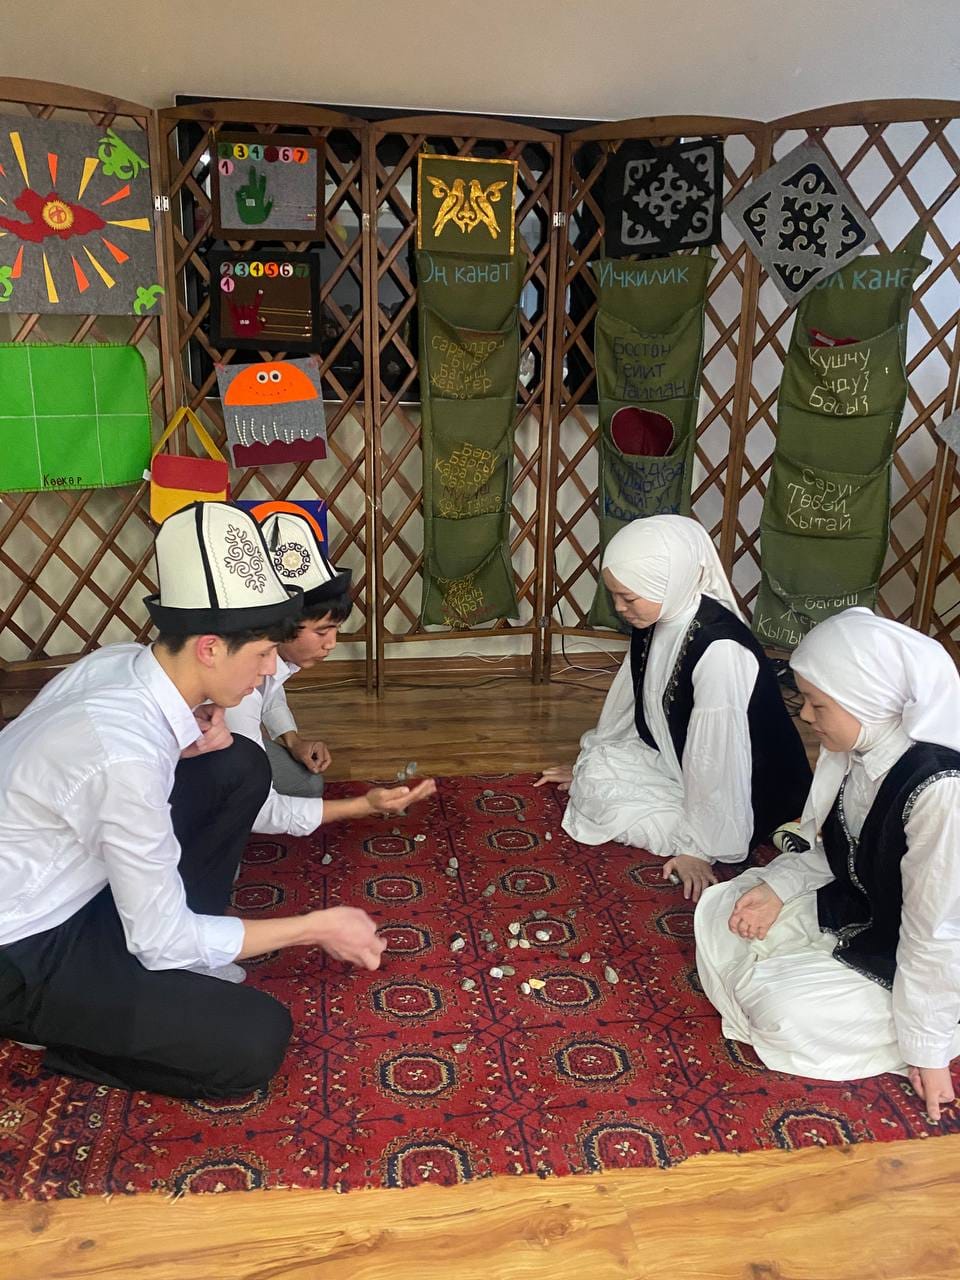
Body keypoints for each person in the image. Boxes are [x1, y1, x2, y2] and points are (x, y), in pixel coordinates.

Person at [0, 502, 435, 1100]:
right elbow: (160, 938)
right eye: (261, 655)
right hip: (24, 945)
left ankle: (149, 984)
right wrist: (313, 926)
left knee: (237, 765)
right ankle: (58, 1035)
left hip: (70, 880)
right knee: (252, 1040)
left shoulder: (115, 665)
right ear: (209, 648)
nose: (268, 671)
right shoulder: (123, 757)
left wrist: (185, 745)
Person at [694, 608, 960, 1122]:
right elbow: (840, 851)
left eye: (818, 704)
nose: (806, 716)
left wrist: (928, 1049)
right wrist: (777, 887)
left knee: (783, 1011)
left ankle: (934, 1021)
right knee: (725, 906)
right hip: (866, 908)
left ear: (868, 701)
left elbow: (937, 930)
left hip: (928, 951)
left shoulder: (940, 790)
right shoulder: (860, 750)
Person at [537, 515, 810, 901]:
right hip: (679, 758)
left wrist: (698, 848)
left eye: (628, 598)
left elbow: (717, 755)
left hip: (748, 783)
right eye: (614, 595)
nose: (619, 607)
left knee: (620, 811)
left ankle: (732, 829)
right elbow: (634, 699)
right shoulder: (659, 613)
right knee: (598, 774)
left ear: (669, 582)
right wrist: (590, 762)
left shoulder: (720, 649)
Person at [224, 510, 352, 831]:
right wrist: (359, 807)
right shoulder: (236, 687)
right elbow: (261, 808)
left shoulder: (265, 651)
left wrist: (293, 741)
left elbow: (273, 692)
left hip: (221, 751)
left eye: (335, 630)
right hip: (178, 775)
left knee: (305, 783)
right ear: (282, 625)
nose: (332, 644)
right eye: (321, 632)